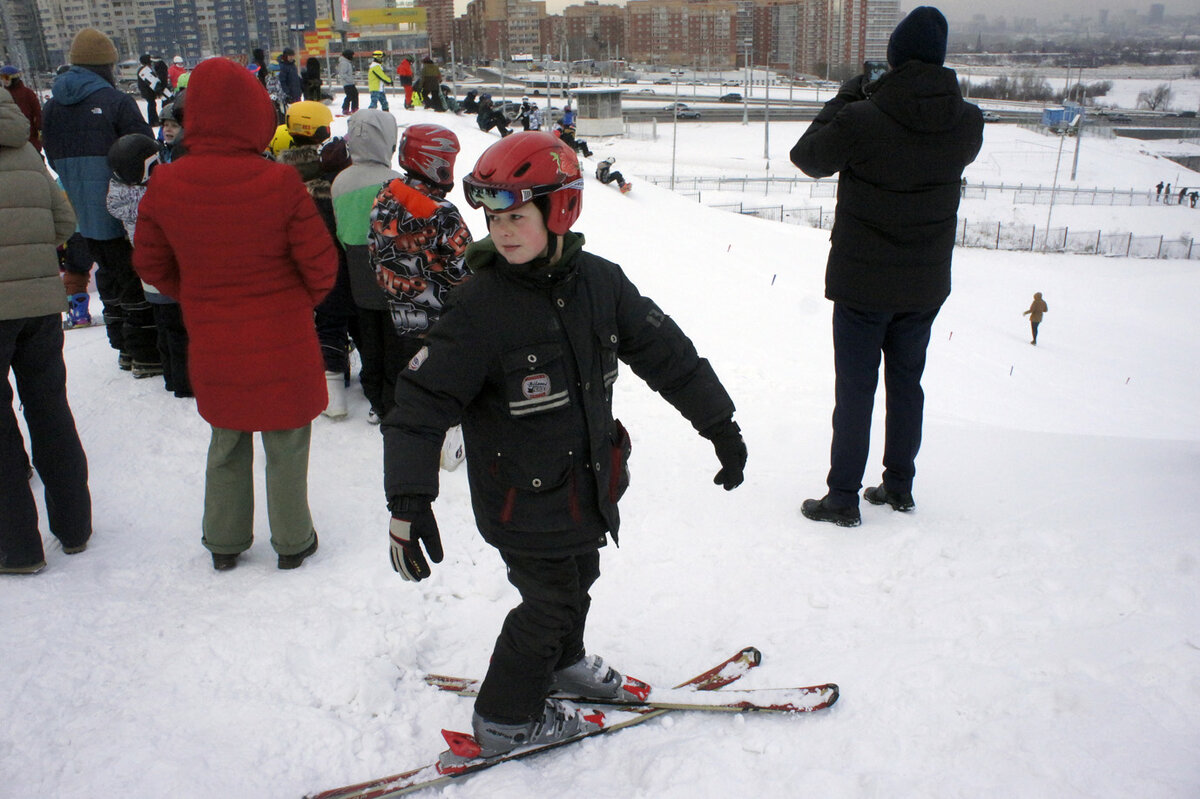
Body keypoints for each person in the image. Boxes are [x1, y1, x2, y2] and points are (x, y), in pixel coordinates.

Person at [381, 131, 747, 757]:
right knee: (548, 603)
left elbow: (669, 355)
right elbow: (418, 406)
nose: (502, 230)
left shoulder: (601, 285)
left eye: (516, 216)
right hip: (518, 501)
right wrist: (409, 500)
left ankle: (563, 663)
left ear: (560, 211)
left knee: (582, 575)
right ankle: (505, 721)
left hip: (587, 488)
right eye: (493, 218)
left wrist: (721, 425)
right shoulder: (479, 307)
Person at [133, 57, 337, 571]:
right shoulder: (280, 184)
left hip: (214, 336)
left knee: (227, 436)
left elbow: (150, 263)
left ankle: (224, 541)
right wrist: (295, 304)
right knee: (287, 437)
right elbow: (320, 265)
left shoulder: (167, 184)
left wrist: (197, 294)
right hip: (282, 335)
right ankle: (292, 541)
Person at [789, 6, 982, 526]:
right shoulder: (968, 122)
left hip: (862, 283)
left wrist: (847, 96)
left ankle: (843, 499)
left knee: (856, 391)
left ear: (893, 58)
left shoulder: (862, 117)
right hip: (924, 284)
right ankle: (899, 486)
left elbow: (807, 156)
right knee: (907, 385)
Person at [0, 86, 92, 574]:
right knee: (50, 409)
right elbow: (64, 221)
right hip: (38, 304)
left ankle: (17, 547)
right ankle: (74, 528)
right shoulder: (27, 154)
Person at [42, 28, 162, 377]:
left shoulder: (51, 107)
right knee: (134, 277)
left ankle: (123, 348)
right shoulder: (116, 102)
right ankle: (146, 355)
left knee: (108, 275)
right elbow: (145, 152)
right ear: (106, 65)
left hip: (79, 206)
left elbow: (53, 156)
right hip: (121, 208)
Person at [367, 123, 472, 420]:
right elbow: (462, 266)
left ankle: (389, 411)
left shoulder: (387, 191)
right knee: (432, 377)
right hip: (434, 314)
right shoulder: (441, 211)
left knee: (398, 369)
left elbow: (373, 247)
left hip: (393, 302)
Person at [274, 100, 357, 419]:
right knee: (335, 320)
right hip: (334, 261)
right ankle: (338, 388)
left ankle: (312, 380)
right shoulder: (333, 171)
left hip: (293, 265)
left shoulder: (279, 173)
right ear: (322, 130)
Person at [105, 133, 193, 398]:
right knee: (178, 329)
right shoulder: (151, 196)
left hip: (147, 273)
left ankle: (170, 376)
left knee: (164, 327)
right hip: (167, 269)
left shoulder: (119, 192)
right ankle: (184, 382)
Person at [331, 109, 404, 423]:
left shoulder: (340, 181)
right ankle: (393, 396)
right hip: (393, 268)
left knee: (369, 337)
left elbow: (341, 231)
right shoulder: (397, 182)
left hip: (357, 267)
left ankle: (374, 394)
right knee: (395, 338)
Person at [1, 65, 42, 152]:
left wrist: (40, 131)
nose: (4, 81)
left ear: (14, 78)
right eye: (1, 77)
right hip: (9, 140)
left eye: (6, 77)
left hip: (30, 138)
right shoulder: (2, 94)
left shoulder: (27, 93)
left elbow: (37, 114)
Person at [137, 53, 171, 126]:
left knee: (152, 104)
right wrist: (159, 90)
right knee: (152, 105)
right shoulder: (144, 70)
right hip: (148, 91)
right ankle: (153, 121)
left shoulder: (142, 69)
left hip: (147, 91)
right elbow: (152, 81)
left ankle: (154, 120)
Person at [337, 50, 358, 117]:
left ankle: (354, 108)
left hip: (349, 82)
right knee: (350, 96)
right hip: (347, 83)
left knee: (354, 94)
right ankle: (345, 108)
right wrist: (350, 80)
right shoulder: (344, 63)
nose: (352, 57)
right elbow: (343, 74)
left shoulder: (347, 62)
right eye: (351, 55)